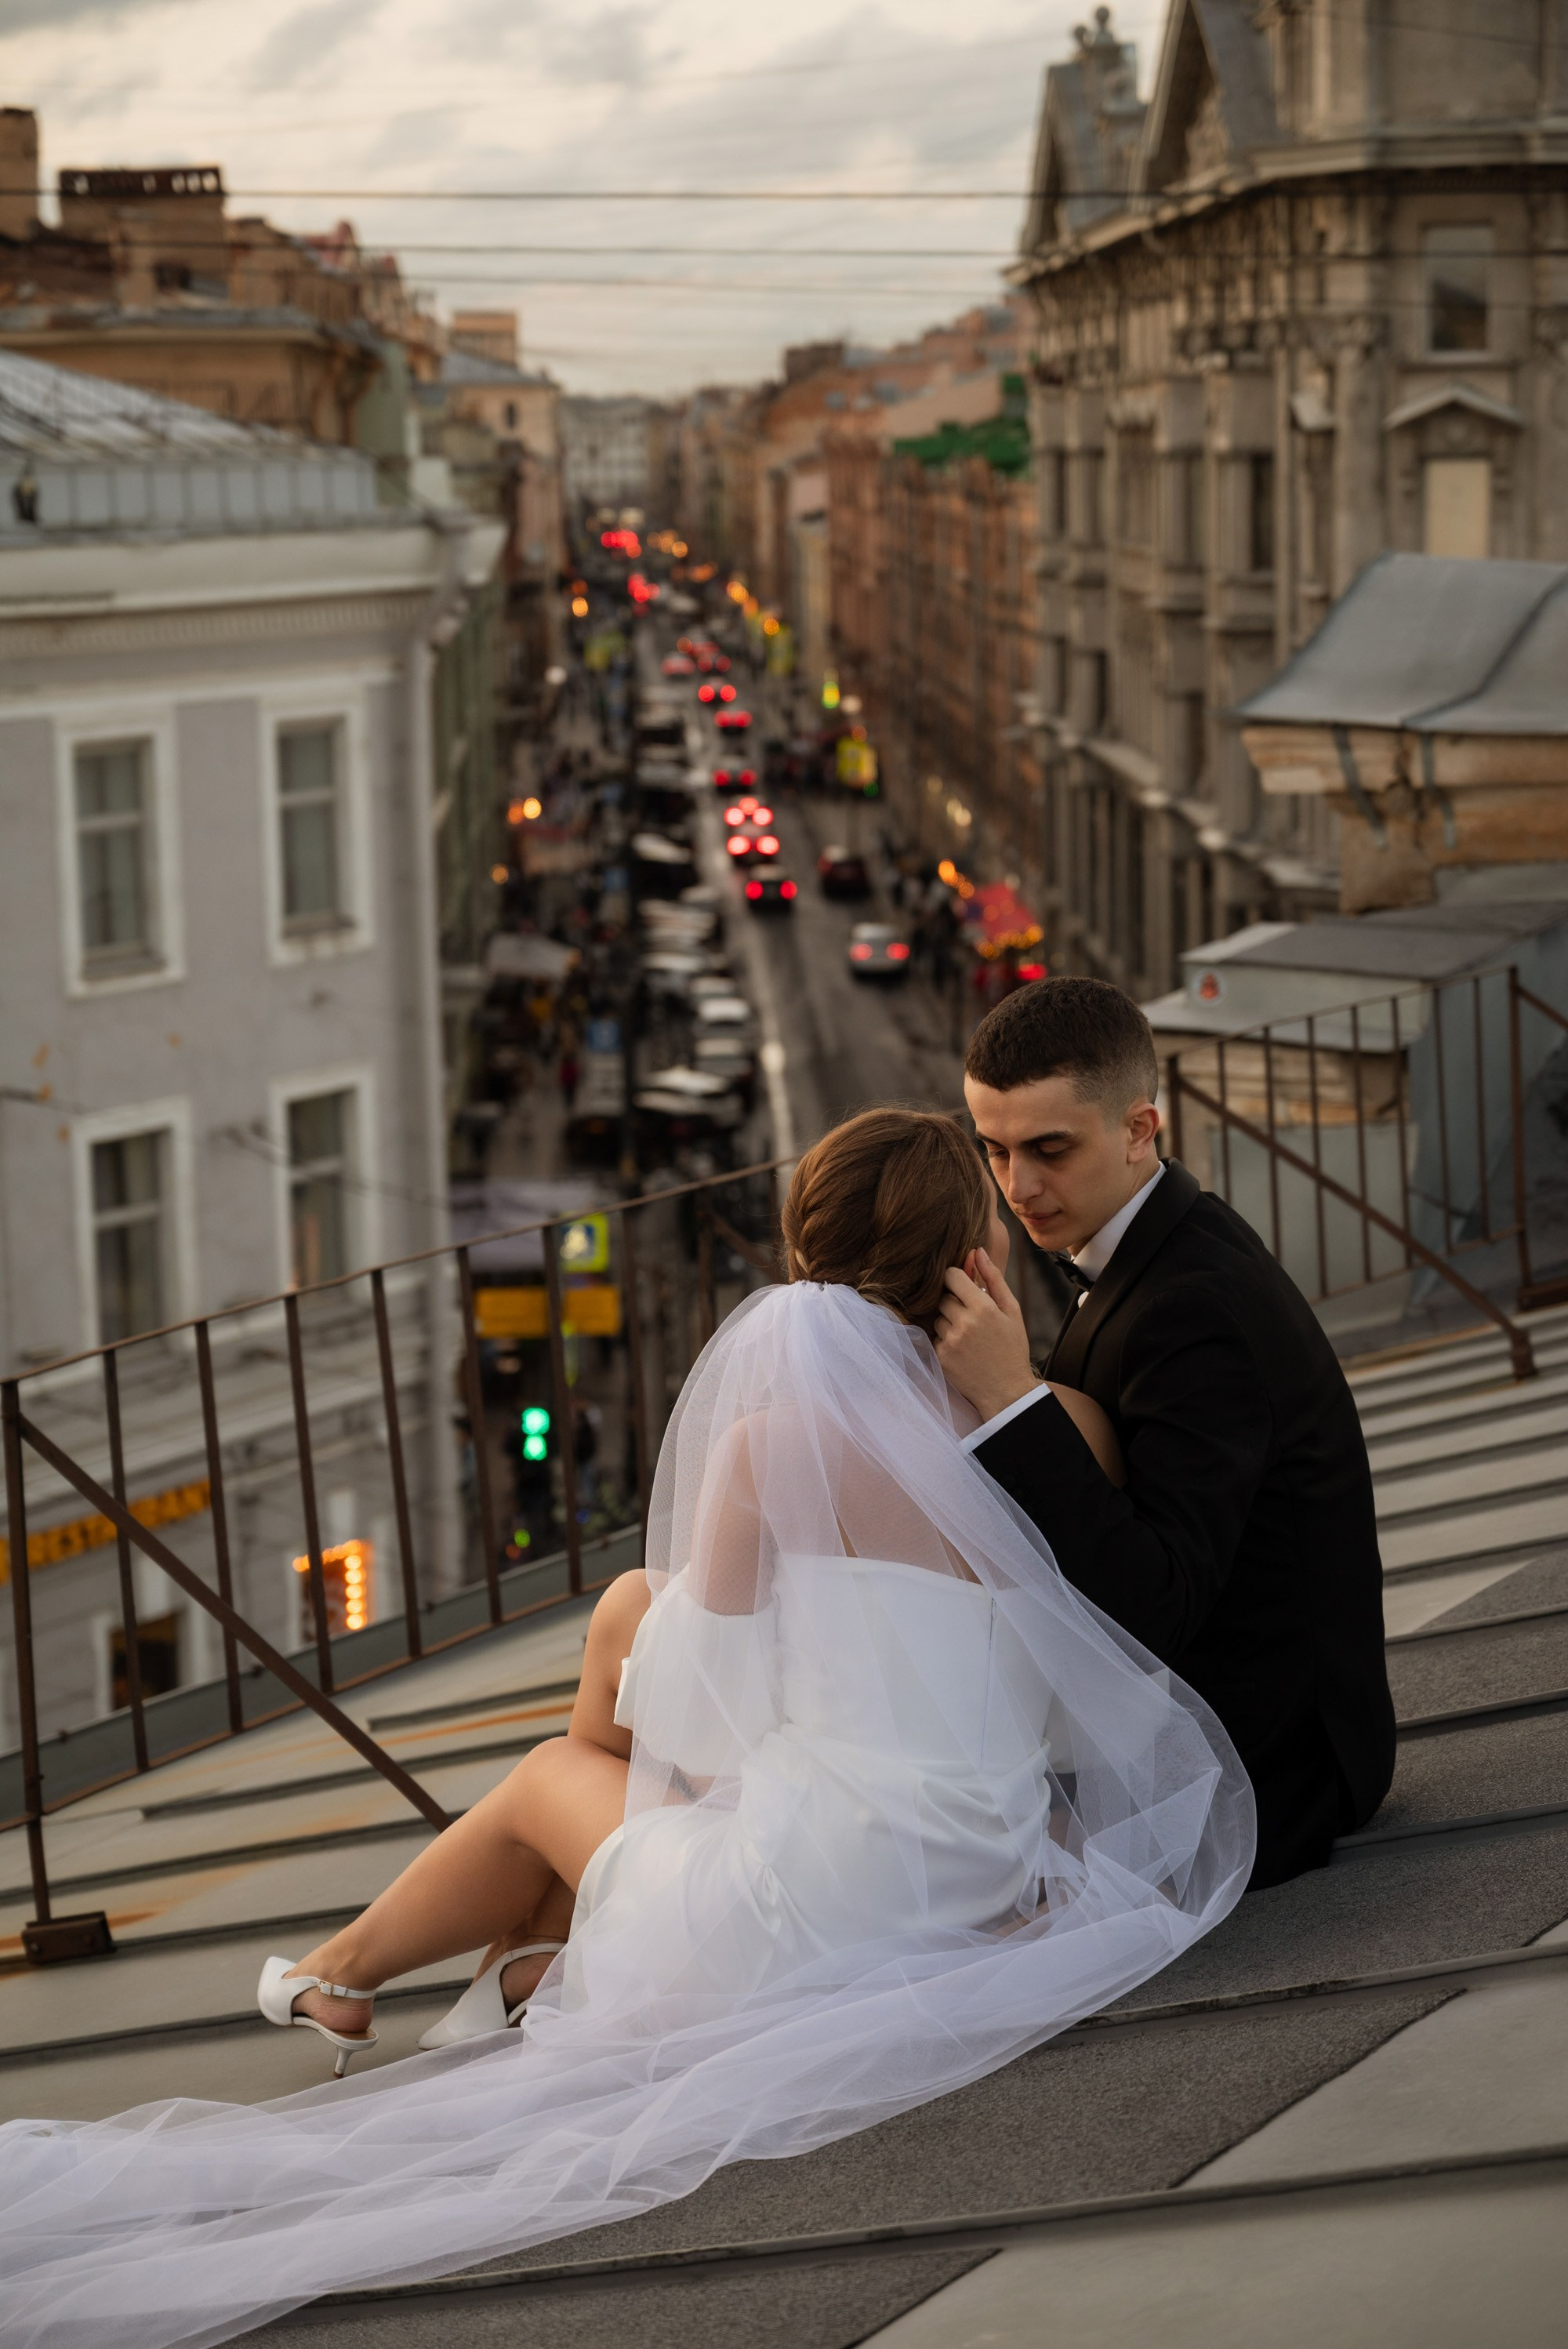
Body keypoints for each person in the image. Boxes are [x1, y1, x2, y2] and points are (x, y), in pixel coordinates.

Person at [0, 1110, 1252, 2349]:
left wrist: (633, 1633)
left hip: (834, 1889)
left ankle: (353, 1971)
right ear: (972, 1262)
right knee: (620, 1690)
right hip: (989, 1867)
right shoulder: (1067, 1430)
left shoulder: (773, 1442)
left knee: (562, 1761)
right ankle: (510, 1957)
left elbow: (694, 1716)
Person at [934, 978, 1396, 1888]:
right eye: (992, 1149)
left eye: (1048, 1149)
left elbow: (1154, 1606)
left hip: (1263, 1776)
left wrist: (1012, 1399)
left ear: (1140, 1128)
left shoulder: (1193, 1305)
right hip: (1195, 1727)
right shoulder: (1153, 1247)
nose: (1017, 1186)